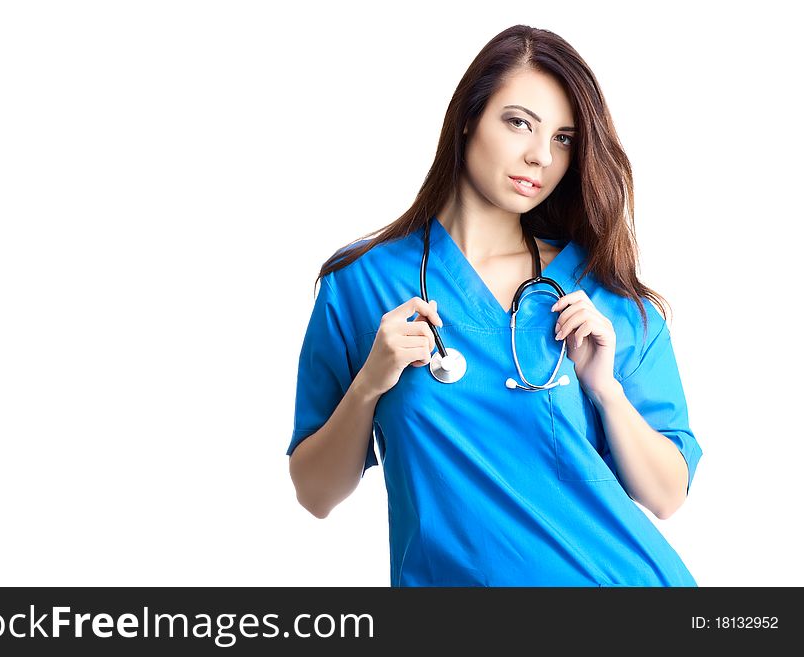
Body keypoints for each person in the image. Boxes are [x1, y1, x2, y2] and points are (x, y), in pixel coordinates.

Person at [286, 25, 703, 587]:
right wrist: (368, 385)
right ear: (467, 119)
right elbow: (314, 493)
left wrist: (606, 390)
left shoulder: (599, 296)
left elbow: (668, 494)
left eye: (563, 138)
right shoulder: (363, 282)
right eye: (518, 123)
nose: (539, 156)